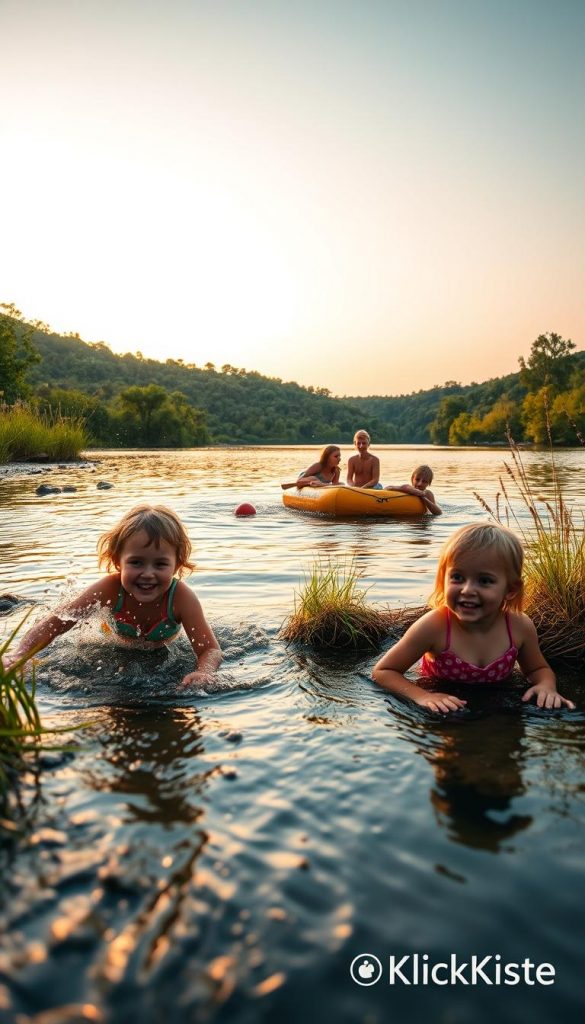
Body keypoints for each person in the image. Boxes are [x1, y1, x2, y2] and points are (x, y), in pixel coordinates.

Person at [2, 504, 222, 687]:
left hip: (162, 653)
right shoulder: (109, 589)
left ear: (176, 565)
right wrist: (20, 654)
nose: (147, 574)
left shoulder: (182, 598)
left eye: (160, 564)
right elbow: (58, 621)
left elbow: (210, 649)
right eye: (136, 562)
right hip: (116, 649)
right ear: (118, 561)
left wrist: (204, 672)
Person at [372, 523, 575, 714]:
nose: (467, 590)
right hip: (444, 708)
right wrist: (422, 697)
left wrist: (546, 686)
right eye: (457, 577)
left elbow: (538, 668)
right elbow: (384, 671)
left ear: (511, 590)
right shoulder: (435, 626)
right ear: (443, 579)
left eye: (485, 581)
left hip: (495, 705)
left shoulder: (519, 626)